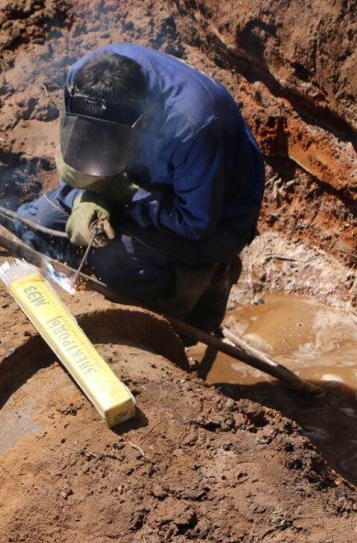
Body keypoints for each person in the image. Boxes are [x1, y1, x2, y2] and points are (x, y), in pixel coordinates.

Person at [16, 43, 265, 334]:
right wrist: (88, 196)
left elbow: (194, 222)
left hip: (209, 217)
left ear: (143, 119)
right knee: (35, 224)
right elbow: (79, 152)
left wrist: (124, 195)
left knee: (116, 262)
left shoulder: (195, 125)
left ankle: (203, 282)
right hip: (126, 182)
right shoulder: (82, 82)